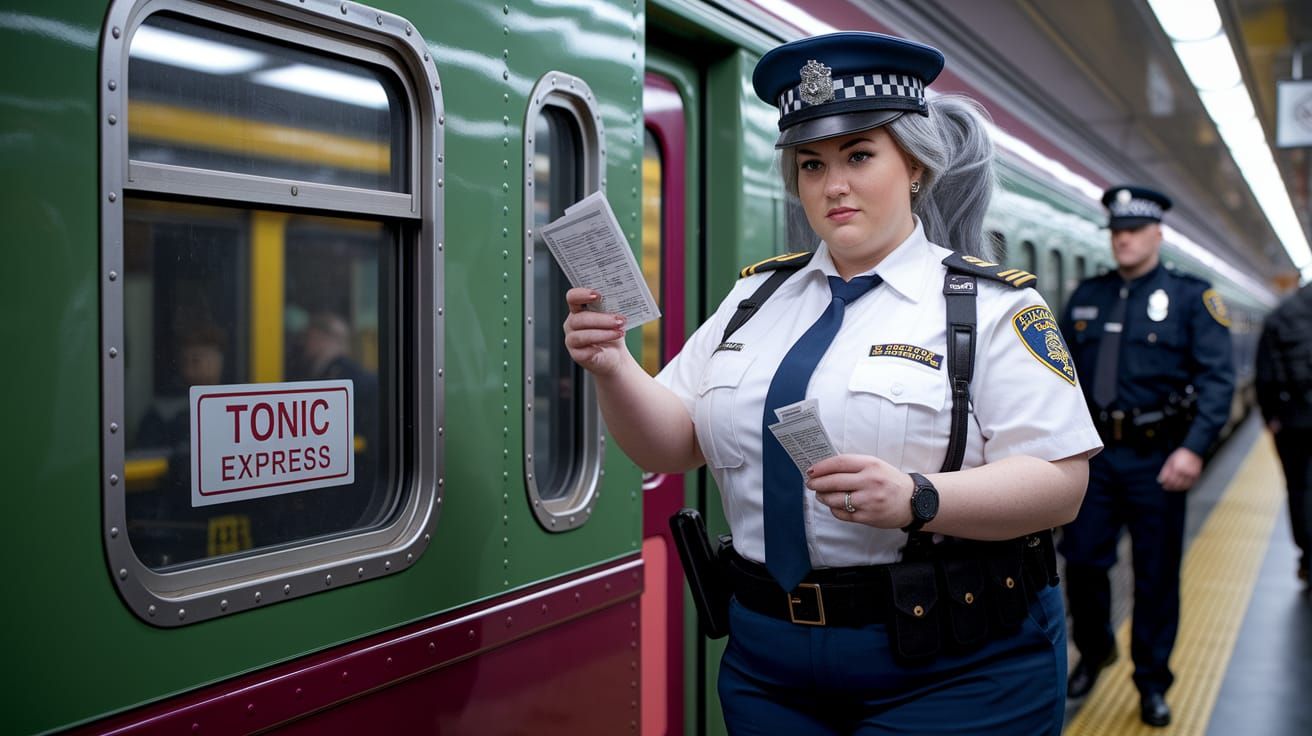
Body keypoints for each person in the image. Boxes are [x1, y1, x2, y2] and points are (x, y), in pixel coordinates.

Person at [563, 31, 1101, 735]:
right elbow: (670, 444)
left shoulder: (991, 307)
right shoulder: (756, 300)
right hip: (769, 662)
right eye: (811, 164)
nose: (833, 184)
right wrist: (613, 368)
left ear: (914, 166)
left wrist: (919, 497)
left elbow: (1060, 484)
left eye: (858, 155)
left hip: (952, 663)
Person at [1059, 186, 1235, 726]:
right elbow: (1058, 375)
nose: (1124, 239)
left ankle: (1152, 682)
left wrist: (1193, 449)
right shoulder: (1088, 295)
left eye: (1133, 230)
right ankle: (1094, 650)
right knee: (1083, 561)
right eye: (1116, 231)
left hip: (1159, 459)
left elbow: (1218, 380)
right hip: (1095, 460)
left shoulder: (1191, 298)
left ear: (1158, 233)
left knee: (1156, 577)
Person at [1255, 281, 1312, 587]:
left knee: (1299, 488)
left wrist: (1270, 415)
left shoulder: (1281, 314)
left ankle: (1307, 557)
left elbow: (1265, 373)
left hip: (1293, 422)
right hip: (1294, 419)